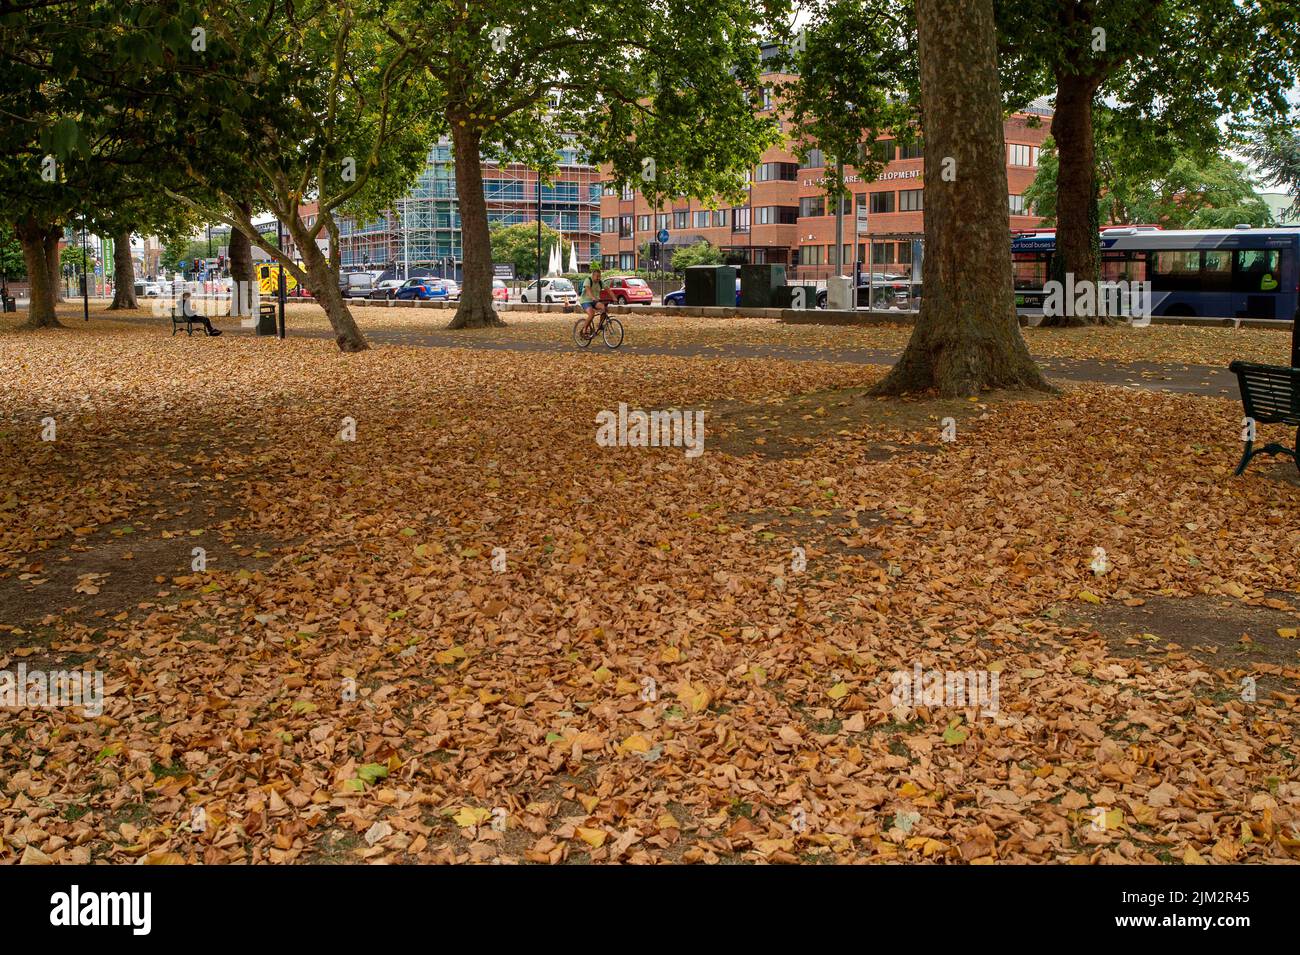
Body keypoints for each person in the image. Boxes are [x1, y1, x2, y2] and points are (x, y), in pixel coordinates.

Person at [579, 268, 605, 337]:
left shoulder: (600, 282)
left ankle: (600, 325)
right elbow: (588, 290)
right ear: (593, 276)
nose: (598, 278)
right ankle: (584, 329)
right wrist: (593, 297)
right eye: (597, 276)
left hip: (594, 301)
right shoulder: (588, 280)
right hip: (585, 301)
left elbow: (608, 290)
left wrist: (614, 298)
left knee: (603, 307)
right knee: (591, 313)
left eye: (600, 276)